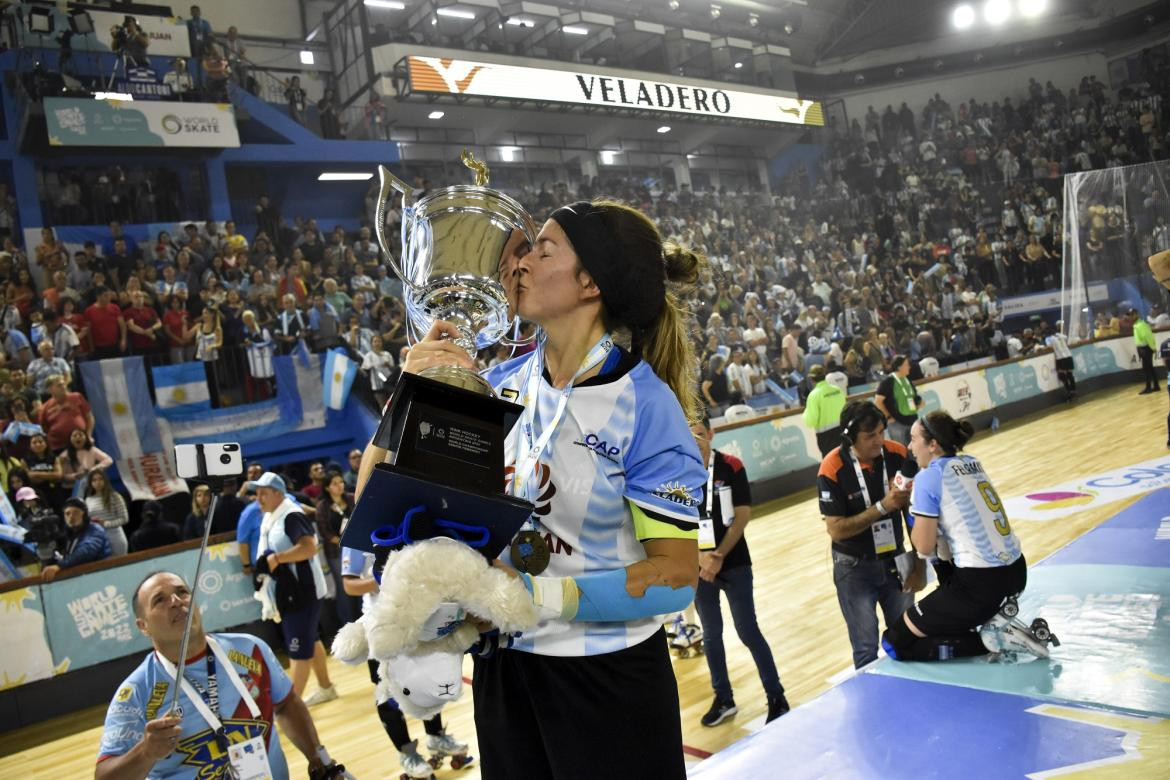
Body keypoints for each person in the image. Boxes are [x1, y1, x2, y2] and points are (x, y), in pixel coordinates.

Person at [358, 198, 707, 778]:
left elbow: (674, 579)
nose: (516, 263)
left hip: (608, 681)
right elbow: (377, 510)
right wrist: (410, 393)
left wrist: (536, 598)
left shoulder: (647, 407)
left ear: (589, 282)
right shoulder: (495, 384)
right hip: (507, 671)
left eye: (541, 250)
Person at [95, 571, 350, 780]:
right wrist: (146, 752)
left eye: (182, 592)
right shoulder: (136, 691)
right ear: (143, 626)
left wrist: (319, 759)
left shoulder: (250, 649)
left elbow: (285, 703)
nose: (175, 601)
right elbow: (104, 776)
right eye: (159, 600)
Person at [882, 412, 1045, 661]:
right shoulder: (972, 462)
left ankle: (993, 641)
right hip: (1016, 572)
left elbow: (924, 547)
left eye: (914, 439)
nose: (909, 447)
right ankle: (994, 628)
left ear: (933, 444)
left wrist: (913, 510)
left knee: (894, 642)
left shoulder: (928, 477)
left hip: (980, 583)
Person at [690, 416, 788, 728]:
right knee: (711, 635)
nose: (695, 440)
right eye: (689, 434)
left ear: (712, 433)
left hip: (734, 563)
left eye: (700, 434)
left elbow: (743, 514)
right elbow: (677, 524)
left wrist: (718, 555)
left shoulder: (731, 465)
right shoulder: (677, 472)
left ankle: (776, 695)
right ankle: (724, 698)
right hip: (700, 568)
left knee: (748, 630)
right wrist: (701, 557)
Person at [341, 545, 470, 778]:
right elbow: (349, 585)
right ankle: (407, 753)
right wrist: (385, 580)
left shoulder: (399, 517)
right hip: (380, 626)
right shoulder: (355, 535)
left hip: (417, 620)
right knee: (387, 693)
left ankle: (436, 736)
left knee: (428, 680)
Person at [817, 400, 923, 668]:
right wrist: (882, 507)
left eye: (881, 433)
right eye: (869, 436)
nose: (879, 441)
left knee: (907, 639)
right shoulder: (832, 467)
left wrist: (919, 563)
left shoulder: (897, 454)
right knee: (865, 650)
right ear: (850, 439)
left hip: (896, 561)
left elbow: (913, 514)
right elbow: (836, 529)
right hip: (854, 567)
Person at [249, 471, 338, 706]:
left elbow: (308, 548)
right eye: (256, 494)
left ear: (278, 494)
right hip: (290, 591)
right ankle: (326, 687)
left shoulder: (291, 515)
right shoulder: (272, 517)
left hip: (302, 592)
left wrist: (277, 558)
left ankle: (289, 707)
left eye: (263, 493)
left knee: (298, 650)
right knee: (311, 638)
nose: (258, 499)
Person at [315, 473, 355, 623]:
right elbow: (324, 531)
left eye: (341, 482)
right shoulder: (323, 506)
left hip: (357, 548)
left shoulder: (351, 498)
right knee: (344, 586)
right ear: (327, 487)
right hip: (336, 551)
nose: (340, 486)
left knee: (361, 583)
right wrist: (342, 541)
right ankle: (347, 621)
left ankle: (362, 616)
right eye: (335, 483)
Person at [41, 497, 112, 581]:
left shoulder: (95, 530)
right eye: (67, 514)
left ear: (84, 515)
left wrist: (59, 566)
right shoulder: (68, 532)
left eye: (76, 513)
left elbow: (86, 551)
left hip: (101, 576)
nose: (71, 518)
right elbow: (60, 554)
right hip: (81, 577)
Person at [873, 355, 920, 445]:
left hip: (912, 420)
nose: (909, 367)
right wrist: (889, 417)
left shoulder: (907, 380)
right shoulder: (888, 381)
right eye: (907, 365)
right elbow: (878, 401)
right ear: (899, 367)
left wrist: (919, 403)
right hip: (898, 423)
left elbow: (913, 397)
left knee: (915, 449)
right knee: (902, 451)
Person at [802, 363, 846, 457]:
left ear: (812, 379)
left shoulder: (814, 395)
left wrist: (806, 411)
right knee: (845, 458)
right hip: (842, 430)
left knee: (831, 463)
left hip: (826, 436)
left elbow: (811, 421)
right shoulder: (837, 390)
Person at [84, 469, 130, 556]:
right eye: (94, 480)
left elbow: (124, 519)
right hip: (98, 538)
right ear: (90, 483)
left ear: (105, 480)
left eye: (100, 479)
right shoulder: (88, 500)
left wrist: (106, 524)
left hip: (115, 536)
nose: (98, 482)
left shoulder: (115, 496)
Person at [57, 427, 113, 498]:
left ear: (86, 438)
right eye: (74, 436)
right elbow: (63, 476)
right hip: (71, 488)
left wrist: (93, 470)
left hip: (90, 485)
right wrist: (76, 476)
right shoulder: (64, 455)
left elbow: (109, 460)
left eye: (80, 435)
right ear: (70, 439)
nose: (78, 437)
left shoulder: (92, 450)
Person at [1045, 324, 1076, 401]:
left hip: (1061, 357)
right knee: (1070, 374)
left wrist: (1040, 347)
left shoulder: (1049, 338)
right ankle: (1073, 390)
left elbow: (1049, 347)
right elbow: (1066, 338)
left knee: (1062, 375)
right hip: (1068, 355)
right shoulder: (1060, 335)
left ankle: (1068, 391)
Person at [1133, 307, 1160, 394]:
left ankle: (1149, 387)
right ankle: (1156, 386)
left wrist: (1153, 347)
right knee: (1149, 368)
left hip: (1145, 349)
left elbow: (1148, 336)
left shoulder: (1141, 325)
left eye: (1133, 314)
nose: (1131, 317)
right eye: (1130, 315)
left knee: (1147, 368)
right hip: (1143, 348)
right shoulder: (1137, 325)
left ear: (1137, 314)